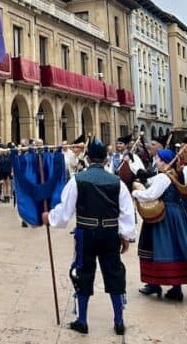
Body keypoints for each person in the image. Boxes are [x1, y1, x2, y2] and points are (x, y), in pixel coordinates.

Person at [43, 139, 135, 336]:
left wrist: (49, 217)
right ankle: (119, 321)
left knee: (84, 272)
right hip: (110, 233)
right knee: (114, 272)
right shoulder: (117, 182)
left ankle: (82, 320)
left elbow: (65, 211)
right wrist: (126, 236)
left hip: (86, 233)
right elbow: (127, 212)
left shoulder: (78, 180)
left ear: (88, 157)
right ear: (105, 159)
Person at [134, 149, 187, 302]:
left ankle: (154, 283)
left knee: (158, 247)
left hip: (163, 215)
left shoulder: (163, 177)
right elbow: (152, 183)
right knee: (177, 247)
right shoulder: (176, 175)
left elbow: (151, 195)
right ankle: (176, 287)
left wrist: (136, 193)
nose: (156, 162)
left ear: (165, 161)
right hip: (177, 214)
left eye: (158, 159)